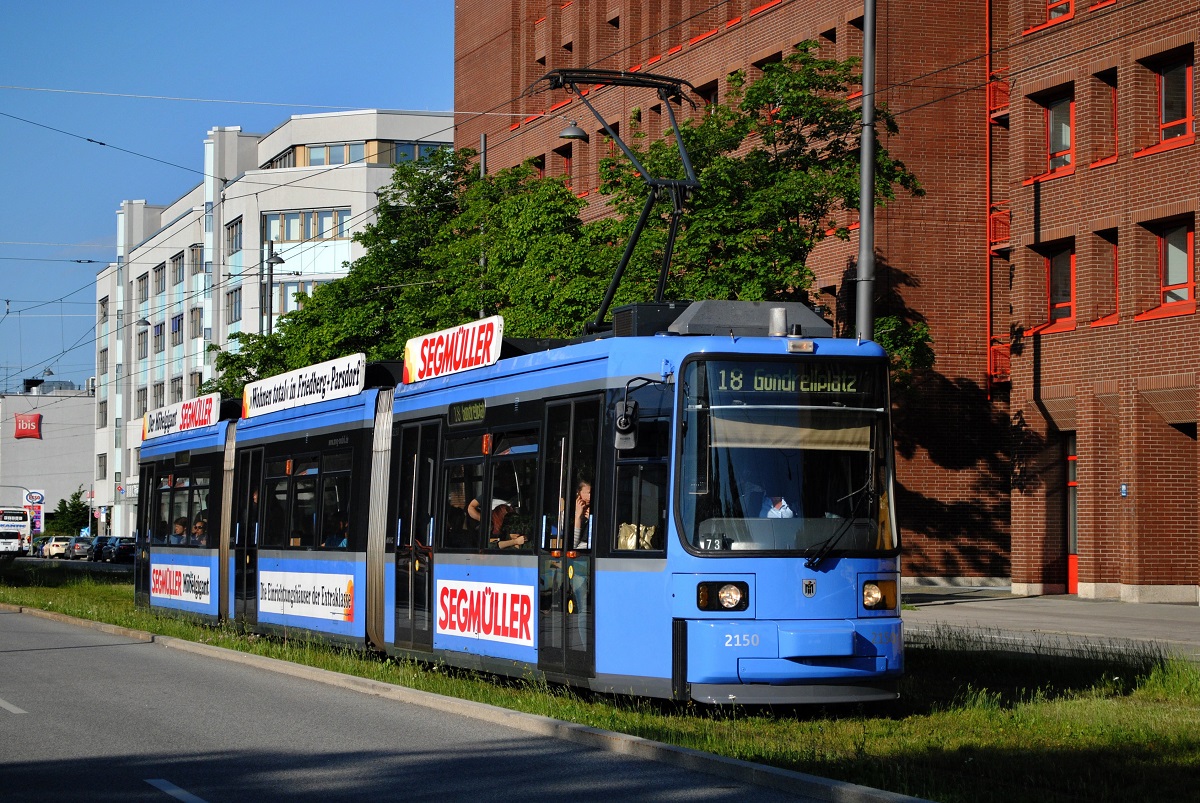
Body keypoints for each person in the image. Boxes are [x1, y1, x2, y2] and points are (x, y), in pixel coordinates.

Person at [572, 480, 592, 549]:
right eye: (589, 493)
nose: (590, 496)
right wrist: (578, 517)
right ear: (578, 493)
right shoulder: (566, 515)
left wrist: (591, 520)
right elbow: (573, 545)